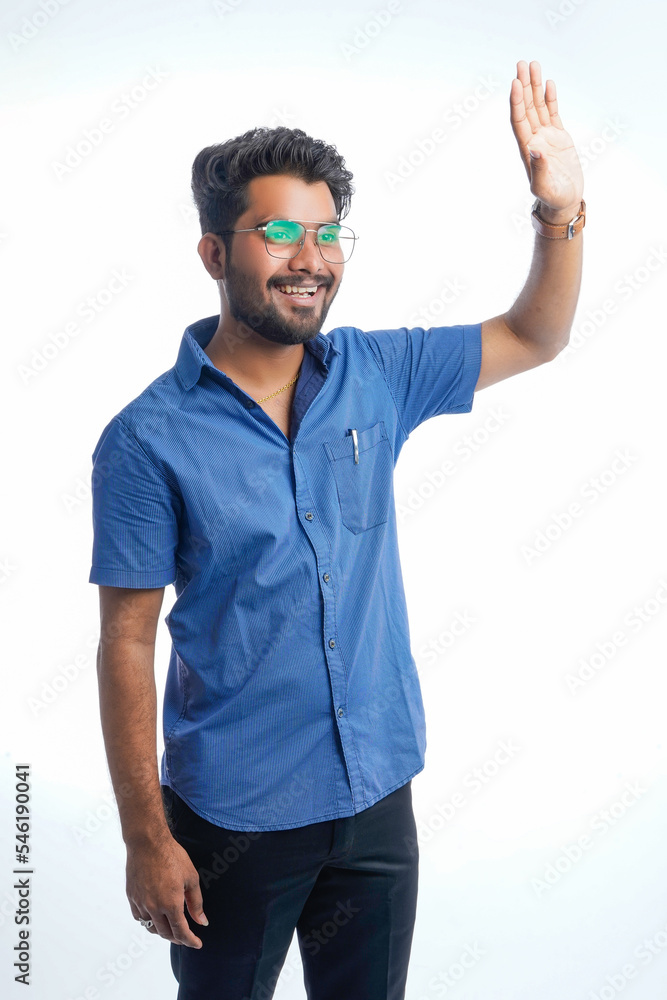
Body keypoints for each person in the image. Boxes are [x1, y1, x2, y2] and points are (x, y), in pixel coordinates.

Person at [89, 59, 584, 1000]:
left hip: (376, 792)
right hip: (234, 817)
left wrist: (556, 211)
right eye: (279, 232)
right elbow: (126, 640)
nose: (310, 258)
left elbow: (535, 335)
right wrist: (145, 837)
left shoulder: (376, 373)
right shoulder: (146, 438)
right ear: (213, 253)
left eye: (327, 233)